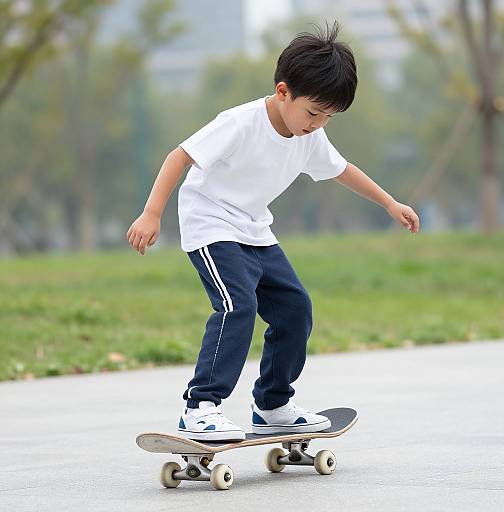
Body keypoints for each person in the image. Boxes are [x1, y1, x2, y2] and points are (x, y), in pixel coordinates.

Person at [126, 21, 420, 442]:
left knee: (295, 308)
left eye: (328, 117)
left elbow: (343, 171)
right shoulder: (240, 122)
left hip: (253, 226)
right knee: (236, 306)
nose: (318, 124)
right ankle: (200, 407)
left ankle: (272, 404)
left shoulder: (308, 135)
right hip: (210, 222)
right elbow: (181, 156)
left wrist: (390, 203)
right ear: (283, 92)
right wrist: (151, 213)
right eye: (314, 112)